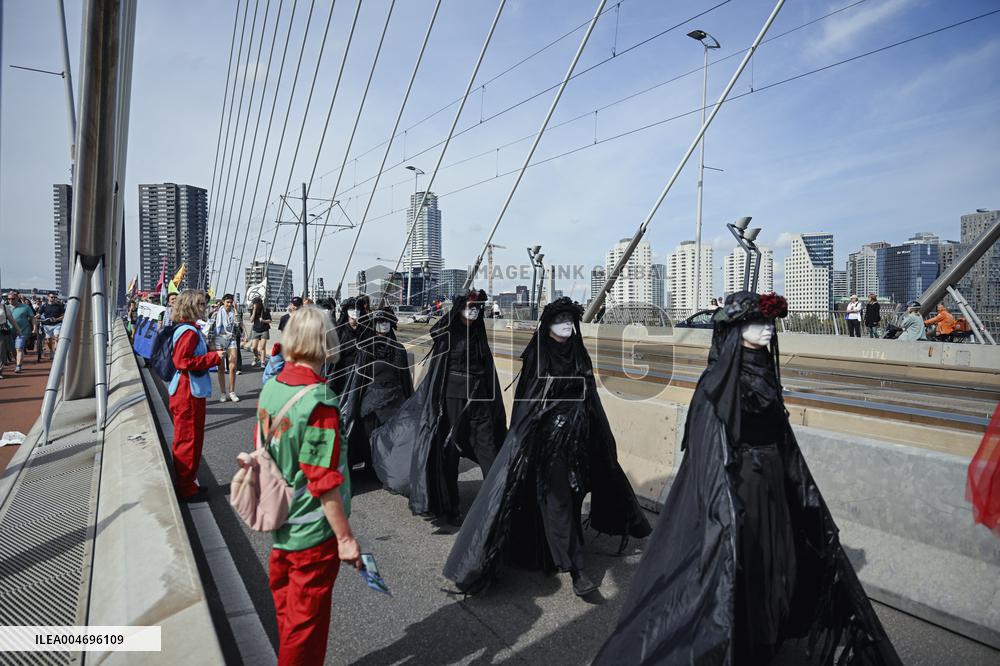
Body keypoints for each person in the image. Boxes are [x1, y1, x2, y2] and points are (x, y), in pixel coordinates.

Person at [594, 292, 901, 665]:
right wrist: (723, 506)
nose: (767, 330)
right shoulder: (717, 383)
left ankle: (765, 640)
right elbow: (708, 454)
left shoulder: (766, 375)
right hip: (739, 493)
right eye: (757, 324)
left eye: (770, 323)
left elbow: (783, 442)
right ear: (736, 330)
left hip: (775, 490)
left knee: (778, 568)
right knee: (739, 575)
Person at [443, 298, 651, 597]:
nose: (566, 324)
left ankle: (556, 550)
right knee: (559, 502)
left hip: (579, 440)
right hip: (548, 445)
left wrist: (599, 437)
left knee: (577, 495)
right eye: (560, 319)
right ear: (548, 325)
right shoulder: (537, 355)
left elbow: (590, 396)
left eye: (570, 319)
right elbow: (527, 402)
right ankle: (576, 569)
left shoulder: (579, 352)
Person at [256, 305, 360, 665]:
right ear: (325, 342)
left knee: (288, 618)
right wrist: (345, 539)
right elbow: (323, 480)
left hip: (281, 525)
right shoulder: (320, 403)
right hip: (312, 536)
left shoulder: (271, 387)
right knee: (306, 632)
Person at [371, 290, 507, 525]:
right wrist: (453, 313)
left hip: (479, 400)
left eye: (477, 307)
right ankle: (451, 507)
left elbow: (485, 368)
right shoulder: (447, 332)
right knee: (450, 451)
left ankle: (498, 508)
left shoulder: (478, 333)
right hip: (452, 399)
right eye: (469, 307)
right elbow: (435, 332)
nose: (474, 311)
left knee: (489, 451)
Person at [339, 308, 413, 470]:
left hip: (395, 400)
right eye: (379, 322)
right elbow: (357, 380)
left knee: (390, 437)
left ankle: (385, 466)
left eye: (386, 322)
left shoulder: (399, 349)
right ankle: (370, 464)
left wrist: (411, 405)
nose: (383, 326)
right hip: (371, 401)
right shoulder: (366, 349)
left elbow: (405, 378)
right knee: (368, 435)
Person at [168, 290, 224, 500]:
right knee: (189, 438)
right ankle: (185, 487)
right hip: (188, 392)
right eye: (200, 304)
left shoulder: (187, 329)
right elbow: (183, 362)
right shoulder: (189, 332)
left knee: (190, 436)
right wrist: (212, 358)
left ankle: (188, 482)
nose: (204, 307)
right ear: (191, 306)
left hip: (185, 389)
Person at [331, 297, 367, 396]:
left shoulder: (364, 331)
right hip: (343, 374)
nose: (354, 320)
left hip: (360, 373)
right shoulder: (340, 331)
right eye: (352, 318)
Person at [212, 294, 241, 402]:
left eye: (230, 302)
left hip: (231, 339)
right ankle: (223, 393)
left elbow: (238, 324)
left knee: (233, 366)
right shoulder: (217, 313)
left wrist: (236, 310)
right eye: (227, 302)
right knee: (221, 368)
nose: (229, 304)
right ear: (223, 302)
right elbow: (212, 328)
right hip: (220, 339)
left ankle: (232, 391)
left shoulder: (234, 312)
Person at [39, 292, 65, 358]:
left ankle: (56, 351)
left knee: (57, 337)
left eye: (54, 297)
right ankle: (51, 350)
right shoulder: (44, 306)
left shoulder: (59, 306)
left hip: (57, 324)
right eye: (52, 297)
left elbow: (63, 316)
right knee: (48, 340)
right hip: (47, 325)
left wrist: (56, 319)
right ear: (48, 297)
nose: (53, 298)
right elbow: (39, 314)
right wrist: (35, 317)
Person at [249, 297, 272, 367]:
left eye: (255, 303)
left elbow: (270, 320)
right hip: (255, 330)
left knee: (262, 347)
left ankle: (263, 362)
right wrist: (254, 310)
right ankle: (256, 357)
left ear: (259, 303)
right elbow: (251, 320)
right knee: (253, 348)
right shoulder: (252, 310)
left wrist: (263, 321)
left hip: (264, 330)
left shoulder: (265, 310)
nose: (253, 304)